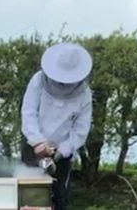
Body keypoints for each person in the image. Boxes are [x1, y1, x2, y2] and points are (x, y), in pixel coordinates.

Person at [21, 42, 93, 210]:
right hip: (34, 147)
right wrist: (38, 141)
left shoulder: (85, 94)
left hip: (63, 152)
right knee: (29, 196)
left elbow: (81, 130)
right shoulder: (38, 80)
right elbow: (28, 112)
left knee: (60, 197)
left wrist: (62, 151)